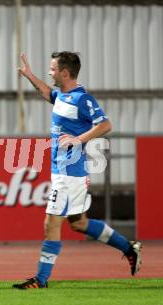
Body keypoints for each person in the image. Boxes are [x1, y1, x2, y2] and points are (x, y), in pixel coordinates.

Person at [12, 52, 142, 289]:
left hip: (69, 174)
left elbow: (106, 124)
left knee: (51, 223)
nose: (49, 73)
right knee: (78, 223)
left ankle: (40, 280)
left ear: (65, 72)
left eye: (52, 69)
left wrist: (78, 139)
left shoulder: (83, 99)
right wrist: (30, 76)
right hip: (63, 171)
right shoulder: (62, 95)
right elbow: (46, 93)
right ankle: (128, 247)